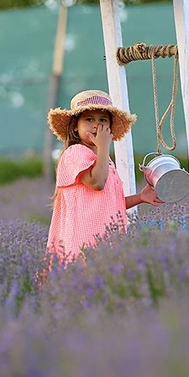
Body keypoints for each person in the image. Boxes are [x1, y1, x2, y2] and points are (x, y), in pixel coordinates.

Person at [45, 89, 163, 265]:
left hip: (107, 239)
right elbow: (97, 183)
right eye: (89, 119)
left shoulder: (104, 160)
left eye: (103, 120)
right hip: (83, 241)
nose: (96, 125)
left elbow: (108, 202)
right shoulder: (75, 152)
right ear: (76, 126)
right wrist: (103, 147)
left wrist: (139, 198)